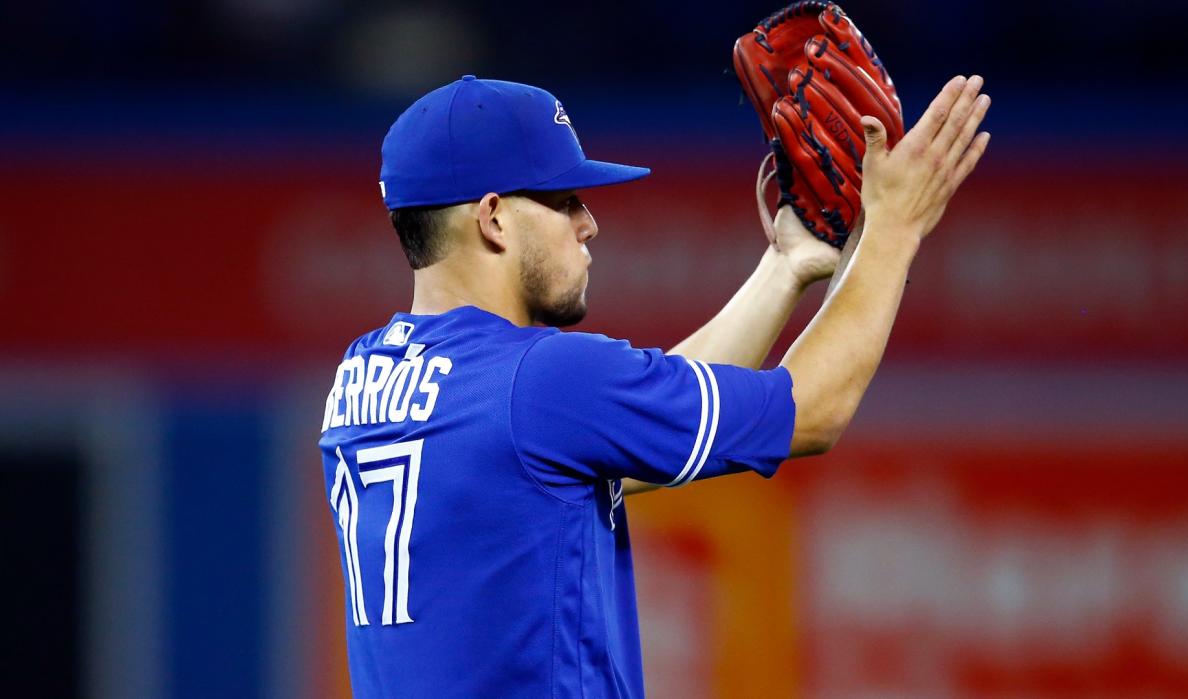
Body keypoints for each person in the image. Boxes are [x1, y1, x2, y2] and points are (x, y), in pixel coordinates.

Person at [317, 73, 989, 697]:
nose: (589, 224)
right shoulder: (540, 381)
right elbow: (812, 410)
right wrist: (895, 228)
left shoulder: (362, 382)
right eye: (565, 199)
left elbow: (608, 436)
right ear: (493, 217)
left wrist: (783, 270)